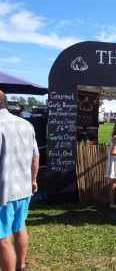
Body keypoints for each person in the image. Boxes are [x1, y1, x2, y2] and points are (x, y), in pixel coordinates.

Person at [0, 90, 39, 271]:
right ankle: (21, 266)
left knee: (3, 238)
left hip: (4, 191)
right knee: (20, 225)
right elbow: (35, 157)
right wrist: (33, 180)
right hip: (24, 187)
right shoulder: (26, 124)